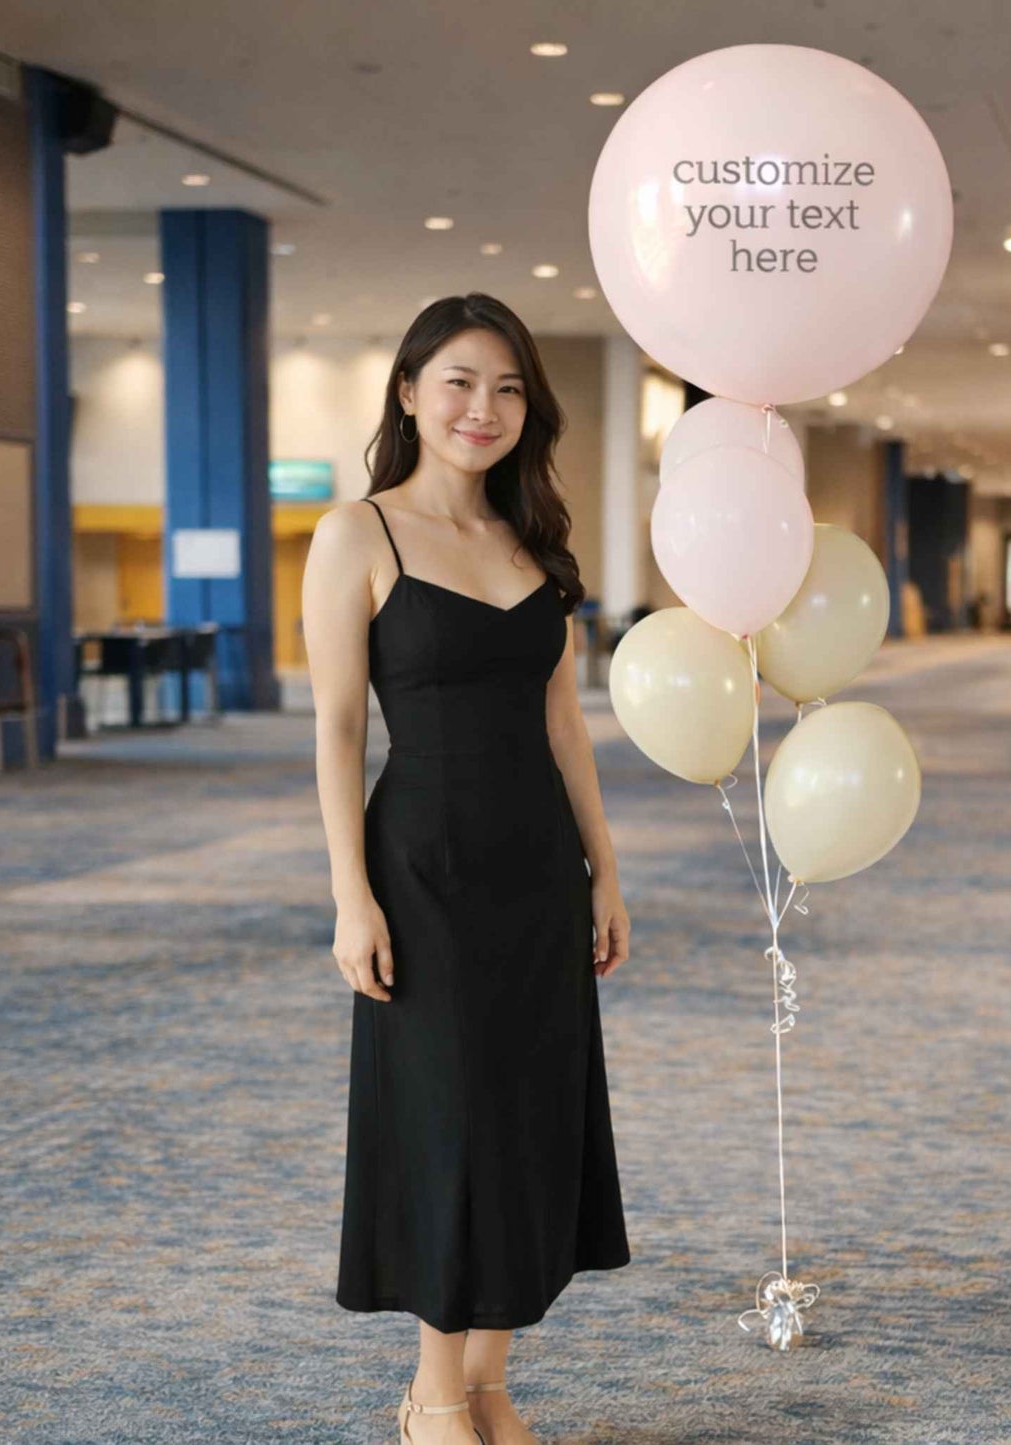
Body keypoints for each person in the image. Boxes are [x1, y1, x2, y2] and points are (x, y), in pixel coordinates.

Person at [302, 293, 632, 1445]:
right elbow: (338, 726)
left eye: (505, 388)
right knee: (452, 1124)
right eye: (456, 381)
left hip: (536, 871)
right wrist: (351, 894)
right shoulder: (359, 533)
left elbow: (564, 722)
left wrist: (603, 867)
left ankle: (489, 1381)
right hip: (422, 872)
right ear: (406, 392)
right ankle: (431, 1394)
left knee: (530, 1117)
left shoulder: (531, 542)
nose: (481, 408)